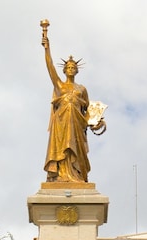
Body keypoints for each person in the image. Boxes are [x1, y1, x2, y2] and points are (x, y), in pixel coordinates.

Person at [41, 22, 98, 183]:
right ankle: (61, 175)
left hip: (77, 126)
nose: (71, 68)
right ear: (65, 70)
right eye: (69, 67)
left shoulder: (82, 89)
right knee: (63, 150)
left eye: (74, 67)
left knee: (76, 152)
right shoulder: (59, 85)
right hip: (61, 124)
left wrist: (97, 123)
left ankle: (76, 175)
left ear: (77, 70)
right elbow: (50, 67)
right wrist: (47, 48)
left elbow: (88, 114)